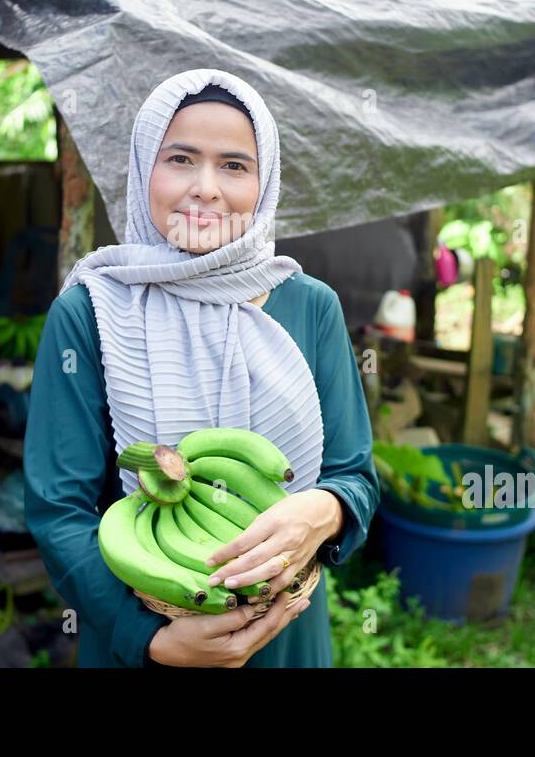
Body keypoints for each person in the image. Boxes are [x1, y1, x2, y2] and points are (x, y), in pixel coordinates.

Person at [23, 68, 380, 667]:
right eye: (181, 159)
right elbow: (58, 509)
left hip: (285, 636)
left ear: (264, 184)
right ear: (144, 170)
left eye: (235, 166)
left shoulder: (310, 305)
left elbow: (355, 477)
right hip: (143, 640)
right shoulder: (90, 312)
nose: (206, 188)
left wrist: (323, 511)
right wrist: (151, 639)